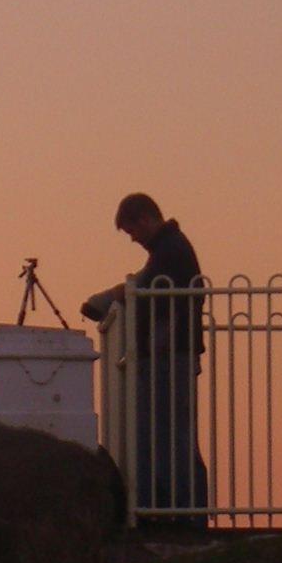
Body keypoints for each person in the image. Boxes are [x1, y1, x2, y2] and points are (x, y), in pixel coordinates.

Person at [80, 193, 209, 526]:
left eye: (132, 230)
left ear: (145, 219)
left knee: (167, 435)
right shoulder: (169, 249)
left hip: (168, 356)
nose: (133, 239)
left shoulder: (170, 251)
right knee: (168, 433)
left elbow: (142, 286)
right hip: (168, 354)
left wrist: (108, 297)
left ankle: (178, 514)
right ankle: (175, 510)